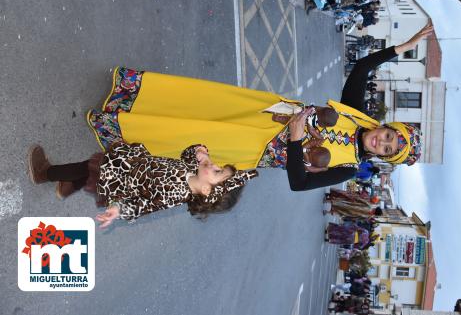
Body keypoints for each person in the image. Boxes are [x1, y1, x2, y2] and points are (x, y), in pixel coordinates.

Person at [86, 22, 433, 191]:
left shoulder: (348, 168)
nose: (381, 142)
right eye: (388, 135)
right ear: (386, 127)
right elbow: (361, 68)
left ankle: (119, 127)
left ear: (384, 157)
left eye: (387, 149)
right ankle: (129, 97)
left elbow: (298, 183)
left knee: (191, 133)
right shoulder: (356, 114)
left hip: (254, 146)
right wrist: (406, 45)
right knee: (203, 103)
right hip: (263, 110)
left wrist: (297, 140)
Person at [27, 142, 258, 227]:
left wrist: (117, 208)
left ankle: (44, 173)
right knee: (88, 167)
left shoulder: (173, 194)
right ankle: (68, 186)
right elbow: (186, 156)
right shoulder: (192, 173)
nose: (215, 164)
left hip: (117, 181)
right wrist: (199, 151)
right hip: (128, 163)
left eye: (217, 172)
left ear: (206, 190)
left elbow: (140, 206)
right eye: (219, 167)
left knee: (87, 167)